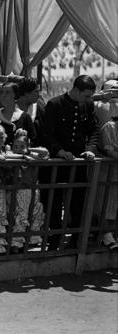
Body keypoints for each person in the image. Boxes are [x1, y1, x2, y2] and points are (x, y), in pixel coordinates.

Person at [42, 75, 99, 250]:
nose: (89, 99)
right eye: (86, 95)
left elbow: (93, 130)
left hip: (78, 162)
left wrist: (90, 148)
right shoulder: (55, 104)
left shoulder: (88, 106)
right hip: (57, 163)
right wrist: (59, 151)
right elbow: (46, 133)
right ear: (76, 90)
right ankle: (54, 238)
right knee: (54, 201)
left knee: (78, 202)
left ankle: (75, 239)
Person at [0, 129, 45, 254]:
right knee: (12, 216)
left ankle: (17, 244)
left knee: (23, 216)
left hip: (26, 190)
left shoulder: (31, 156)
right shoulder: (10, 155)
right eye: (16, 146)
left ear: (27, 146)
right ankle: (11, 242)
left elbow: (45, 153)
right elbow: (1, 157)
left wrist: (29, 150)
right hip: (11, 190)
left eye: (22, 146)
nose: (18, 148)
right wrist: (19, 155)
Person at [97, 90, 118, 250]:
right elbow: (109, 150)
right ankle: (106, 236)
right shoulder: (109, 127)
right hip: (109, 173)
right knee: (107, 205)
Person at [16, 77, 45, 146]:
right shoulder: (11, 109)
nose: (39, 95)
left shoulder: (39, 110)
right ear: (26, 93)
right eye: (36, 91)